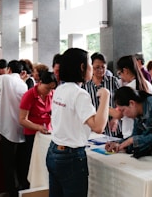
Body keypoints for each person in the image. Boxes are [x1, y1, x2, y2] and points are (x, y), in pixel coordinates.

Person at [46, 48, 110, 197]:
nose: (92, 69)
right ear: (82, 67)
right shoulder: (79, 93)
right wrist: (105, 97)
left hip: (54, 150)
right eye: (90, 64)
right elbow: (99, 127)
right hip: (71, 156)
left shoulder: (60, 89)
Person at [0, 60, 28, 197]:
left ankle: (11, 192)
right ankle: (22, 188)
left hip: (6, 127)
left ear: (8, 69)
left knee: (8, 163)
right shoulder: (23, 84)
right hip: (21, 127)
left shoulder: (3, 79)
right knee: (20, 162)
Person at [19, 71, 57, 187]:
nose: (49, 91)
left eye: (52, 89)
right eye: (47, 88)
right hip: (32, 133)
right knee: (33, 163)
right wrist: (38, 127)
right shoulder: (29, 95)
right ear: (40, 83)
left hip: (48, 132)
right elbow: (22, 120)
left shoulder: (52, 94)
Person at [116, 55, 152, 138]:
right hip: (147, 132)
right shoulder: (148, 85)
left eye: (120, 73)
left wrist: (104, 107)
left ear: (125, 71)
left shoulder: (128, 89)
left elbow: (119, 114)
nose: (121, 77)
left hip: (131, 133)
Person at [83, 52, 121, 137]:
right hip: (94, 128)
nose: (100, 70)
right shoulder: (85, 85)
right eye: (97, 67)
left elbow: (121, 102)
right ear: (91, 67)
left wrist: (116, 118)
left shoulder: (113, 81)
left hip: (113, 128)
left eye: (103, 67)